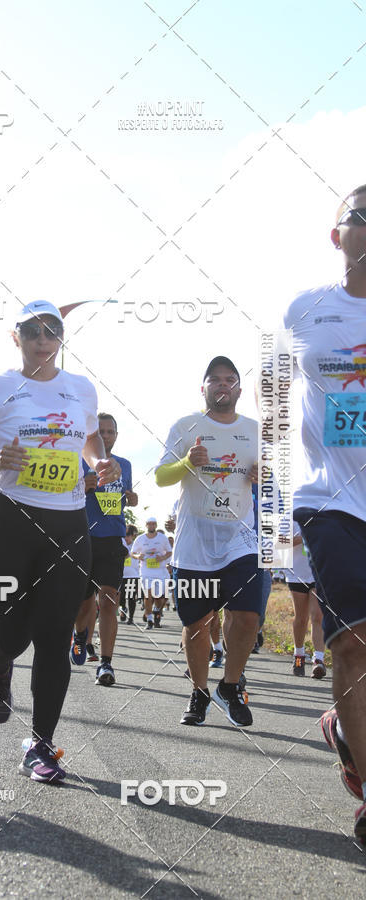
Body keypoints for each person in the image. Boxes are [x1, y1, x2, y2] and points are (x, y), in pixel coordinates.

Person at [0, 300, 120, 783]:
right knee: (12, 632)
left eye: (52, 331)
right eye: (33, 331)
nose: (43, 339)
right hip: (9, 519)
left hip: (69, 524)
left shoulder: (81, 389)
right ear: (17, 338)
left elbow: (90, 440)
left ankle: (42, 746)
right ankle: (0, 660)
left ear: (62, 338)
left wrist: (100, 462)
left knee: (54, 634)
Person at [283, 185, 366, 843]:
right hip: (328, 498)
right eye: (360, 212)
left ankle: (344, 728)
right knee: (352, 640)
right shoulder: (307, 309)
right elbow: (273, 381)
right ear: (336, 234)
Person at [156, 356, 260, 727]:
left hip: (240, 539)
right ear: (203, 388)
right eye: (214, 380)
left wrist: (263, 475)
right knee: (197, 624)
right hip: (196, 543)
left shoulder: (256, 429)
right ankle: (199, 692)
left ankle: (229, 686)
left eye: (229, 379)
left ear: (239, 389)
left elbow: (275, 481)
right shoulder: (186, 426)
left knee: (247, 617)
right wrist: (187, 461)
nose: (222, 385)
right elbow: (161, 477)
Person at [70, 413, 137, 686]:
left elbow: (127, 498)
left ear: (116, 436)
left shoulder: (124, 465)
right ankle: (79, 635)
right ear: (92, 436)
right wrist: (79, 486)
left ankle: (106, 663)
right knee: (83, 603)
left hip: (112, 538)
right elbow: (58, 495)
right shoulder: (77, 461)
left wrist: (132, 498)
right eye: (101, 432)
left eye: (110, 431)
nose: (106, 436)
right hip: (82, 537)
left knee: (109, 599)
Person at [283, 525, 325, 678]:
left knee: (318, 615)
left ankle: (319, 660)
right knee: (301, 618)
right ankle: (298, 655)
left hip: (319, 573)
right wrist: (303, 537)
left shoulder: (323, 515)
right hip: (297, 573)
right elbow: (279, 542)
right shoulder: (289, 515)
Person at [131, 517, 172, 630]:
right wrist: (138, 556)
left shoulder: (162, 538)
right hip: (146, 570)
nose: (152, 526)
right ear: (146, 525)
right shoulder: (140, 539)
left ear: (156, 525)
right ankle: (149, 619)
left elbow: (169, 552)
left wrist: (162, 557)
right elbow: (132, 553)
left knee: (159, 598)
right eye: (149, 524)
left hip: (160, 571)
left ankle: (155, 610)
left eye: (154, 524)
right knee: (148, 595)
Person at [121, 525, 140, 624]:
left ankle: (131, 618)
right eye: (125, 534)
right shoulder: (120, 542)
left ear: (133, 535)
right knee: (121, 597)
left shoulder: (136, 545)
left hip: (133, 576)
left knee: (131, 597)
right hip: (120, 575)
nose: (126, 537)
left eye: (128, 535)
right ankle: (123, 608)